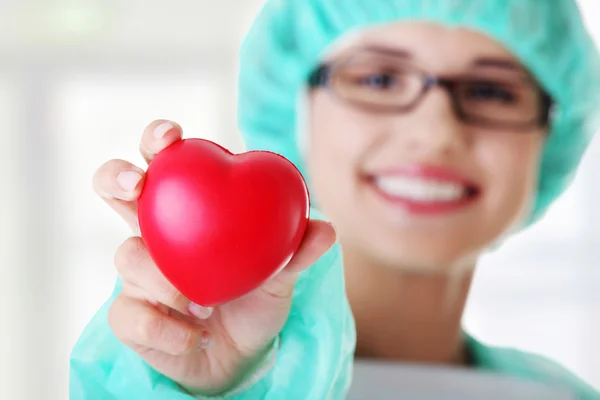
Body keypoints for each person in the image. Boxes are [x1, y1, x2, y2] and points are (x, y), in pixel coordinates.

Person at [70, 0, 600, 399]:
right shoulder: (213, 378)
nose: (435, 132)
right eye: (378, 77)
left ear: (553, 133)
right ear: (295, 110)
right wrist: (211, 385)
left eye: (492, 91)